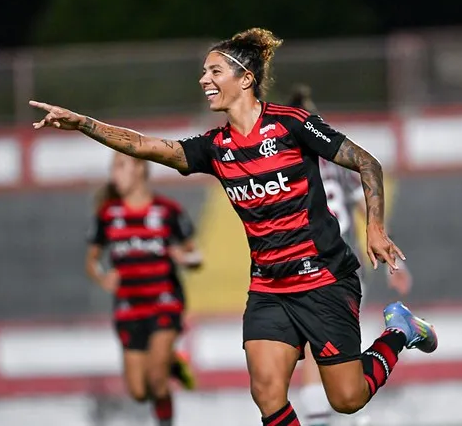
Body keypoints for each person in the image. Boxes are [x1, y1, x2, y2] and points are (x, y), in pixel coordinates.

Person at [31, 27, 437, 426]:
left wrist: (375, 228)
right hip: (269, 288)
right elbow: (144, 145)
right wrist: (83, 123)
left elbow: (367, 162)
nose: (203, 79)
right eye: (203, 72)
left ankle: (400, 330)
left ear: (245, 79)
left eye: (214, 71)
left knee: (348, 399)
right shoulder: (214, 147)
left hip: (323, 279)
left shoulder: (293, 125)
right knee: (267, 394)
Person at [287, 84, 412, 426]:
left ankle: (328, 414)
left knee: (318, 345)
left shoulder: (287, 163)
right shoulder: (336, 160)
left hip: (327, 262)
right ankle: (340, 411)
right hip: (341, 262)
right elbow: (366, 209)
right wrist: (396, 262)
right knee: (326, 345)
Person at [86, 152, 203, 426]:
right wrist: (103, 277)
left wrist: (184, 258)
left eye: (120, 166)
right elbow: (92, 261)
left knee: (157, 380)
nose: (114, 174)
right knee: (139, 392)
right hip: (128, 306)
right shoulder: (108, 214)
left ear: (139, 168)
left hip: (164, 301)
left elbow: (196, 256)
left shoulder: (167, 210)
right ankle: (172, 361)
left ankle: (165, 407)